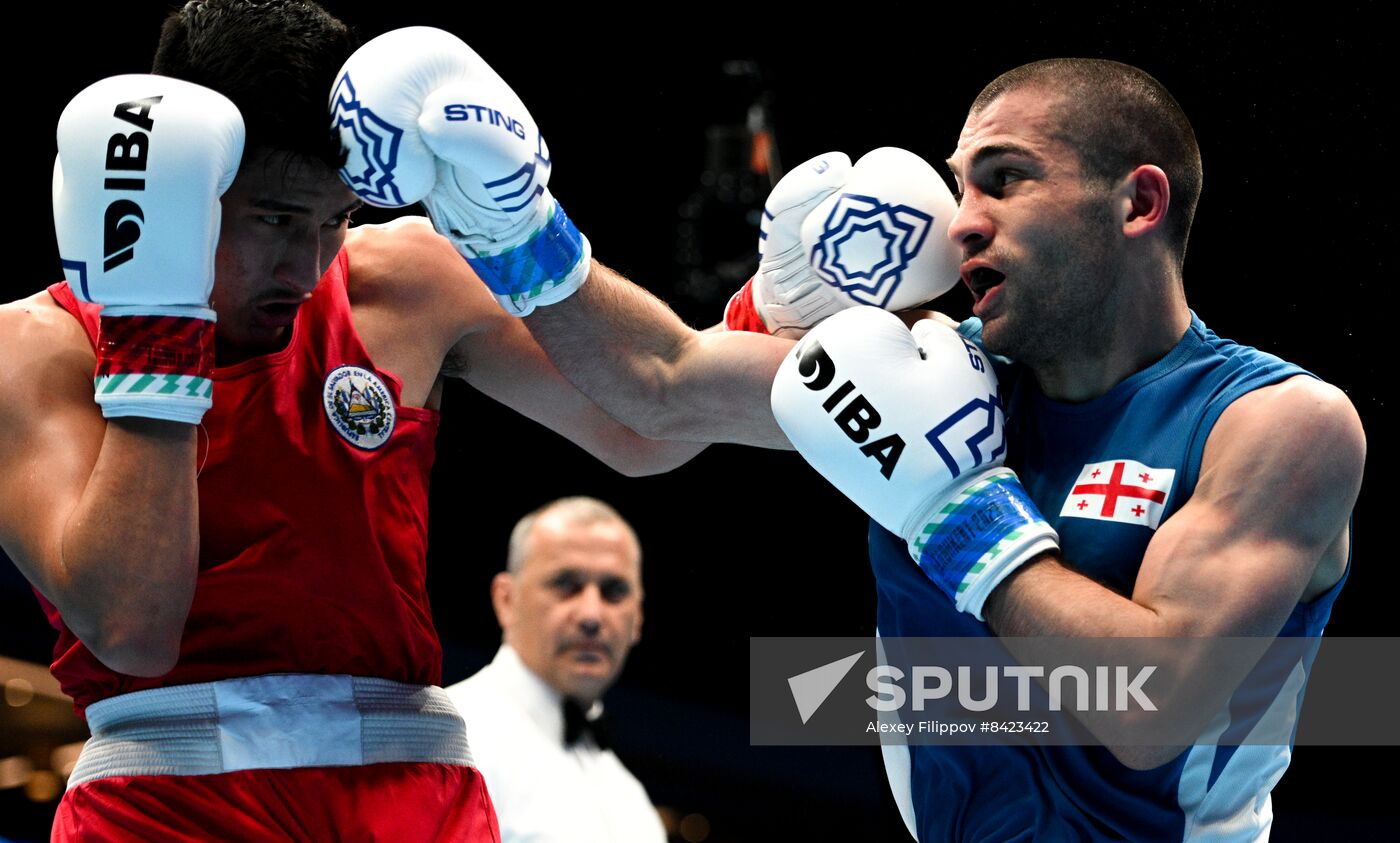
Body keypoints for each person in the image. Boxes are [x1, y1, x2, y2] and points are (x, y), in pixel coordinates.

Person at [0, 2, 790, 838]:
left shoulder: (407, 280)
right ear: (181, 193)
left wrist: (534, 233)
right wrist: (153, 327)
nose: (307, 267)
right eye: (274, 219)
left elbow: (651, 427)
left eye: (337, 219)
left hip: (414, 798)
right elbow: (132, 628)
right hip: (169, 805)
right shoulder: (35, 349)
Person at [762, 60, 1366, 841]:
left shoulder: (1273, 421)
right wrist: (548, 247)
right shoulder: (938, 374)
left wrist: (959, 515)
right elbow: (657, 392)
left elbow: (1152, 709)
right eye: (961, 188)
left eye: (1005, 178)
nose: (961, 222)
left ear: (1139, 202)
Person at [446, 497, 664, 843]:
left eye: (614, 592)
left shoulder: (632, 802)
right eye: (566, 585)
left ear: (637, 619)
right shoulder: (450, 741)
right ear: (506, 599)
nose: (592, 615)